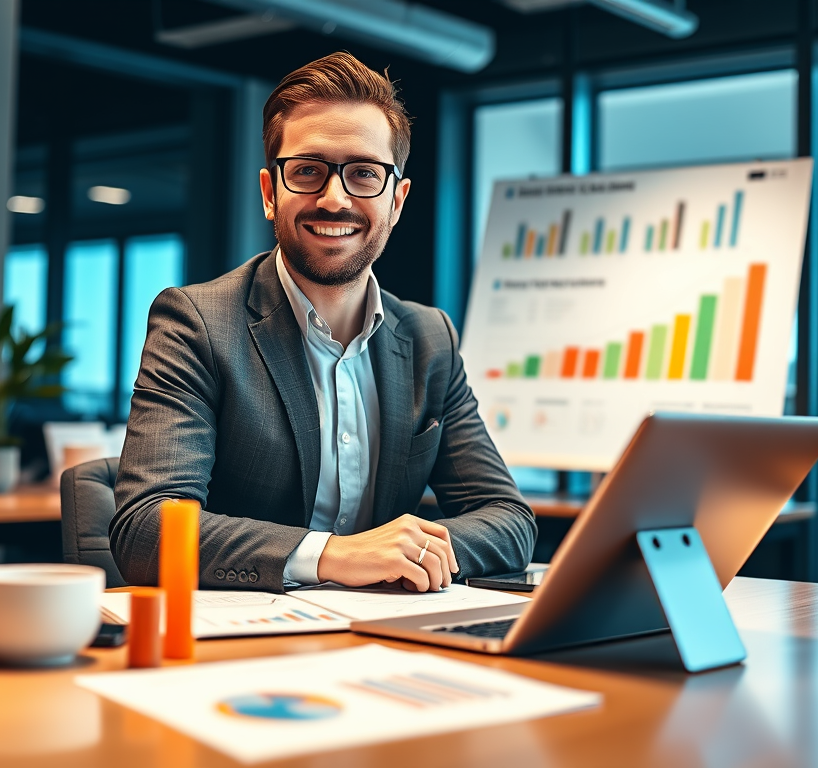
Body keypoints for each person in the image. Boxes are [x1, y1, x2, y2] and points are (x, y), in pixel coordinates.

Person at [111, 52, 536, 594]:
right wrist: (335, 555)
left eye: (364, 173)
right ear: (270, 193)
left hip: (388, 637)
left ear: (397, 201)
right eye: (308, 171)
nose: (334, 200)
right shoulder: (197, 323)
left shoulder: (432, 339)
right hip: (242, 647)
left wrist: (409, 554)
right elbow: (147, 529)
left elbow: (507, 519)